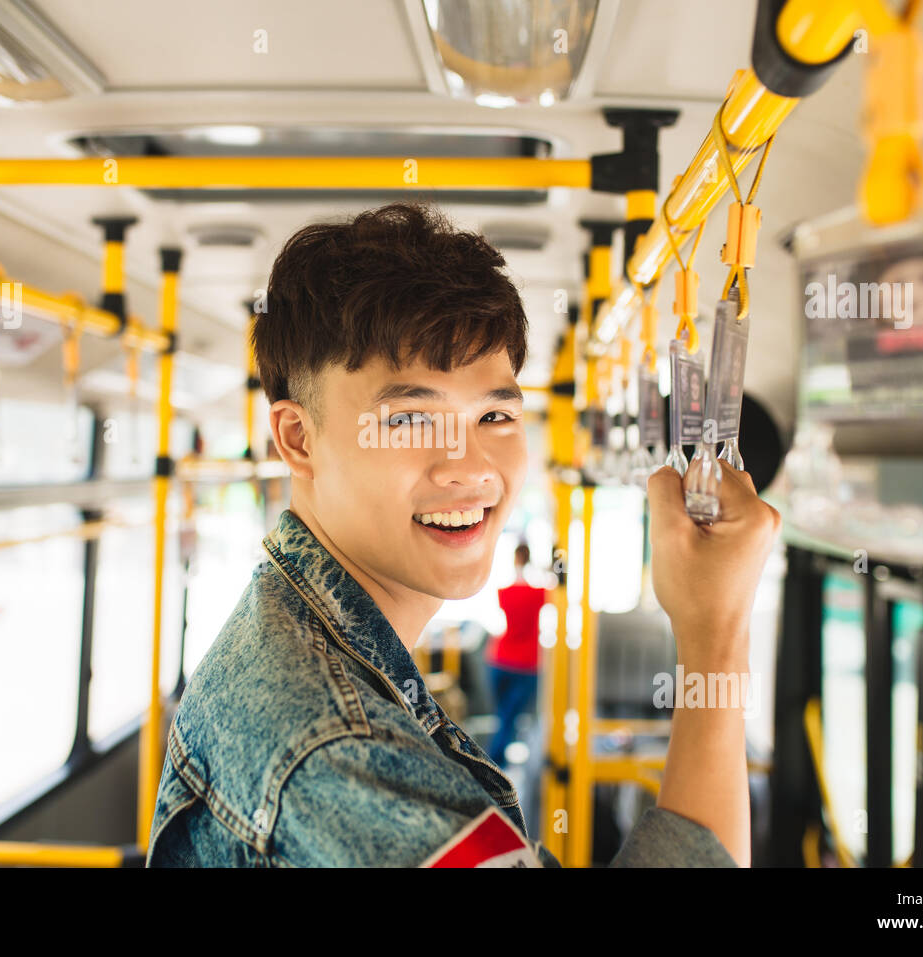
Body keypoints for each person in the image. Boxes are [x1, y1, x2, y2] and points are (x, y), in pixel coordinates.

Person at [147, 202, 781, 867]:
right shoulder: (337, 751)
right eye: (412, 418)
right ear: (299, 439)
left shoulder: (304, 645)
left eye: (495, 414)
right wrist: (715, 629)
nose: (472, 467)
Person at [485, 543, 548, 767]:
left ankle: (495, 764)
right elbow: (557, 590)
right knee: (509, 719)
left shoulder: (504, 593)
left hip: (499, 660)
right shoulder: (539, 594)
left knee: (504, 716)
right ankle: (495, 765)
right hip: (526, 664)